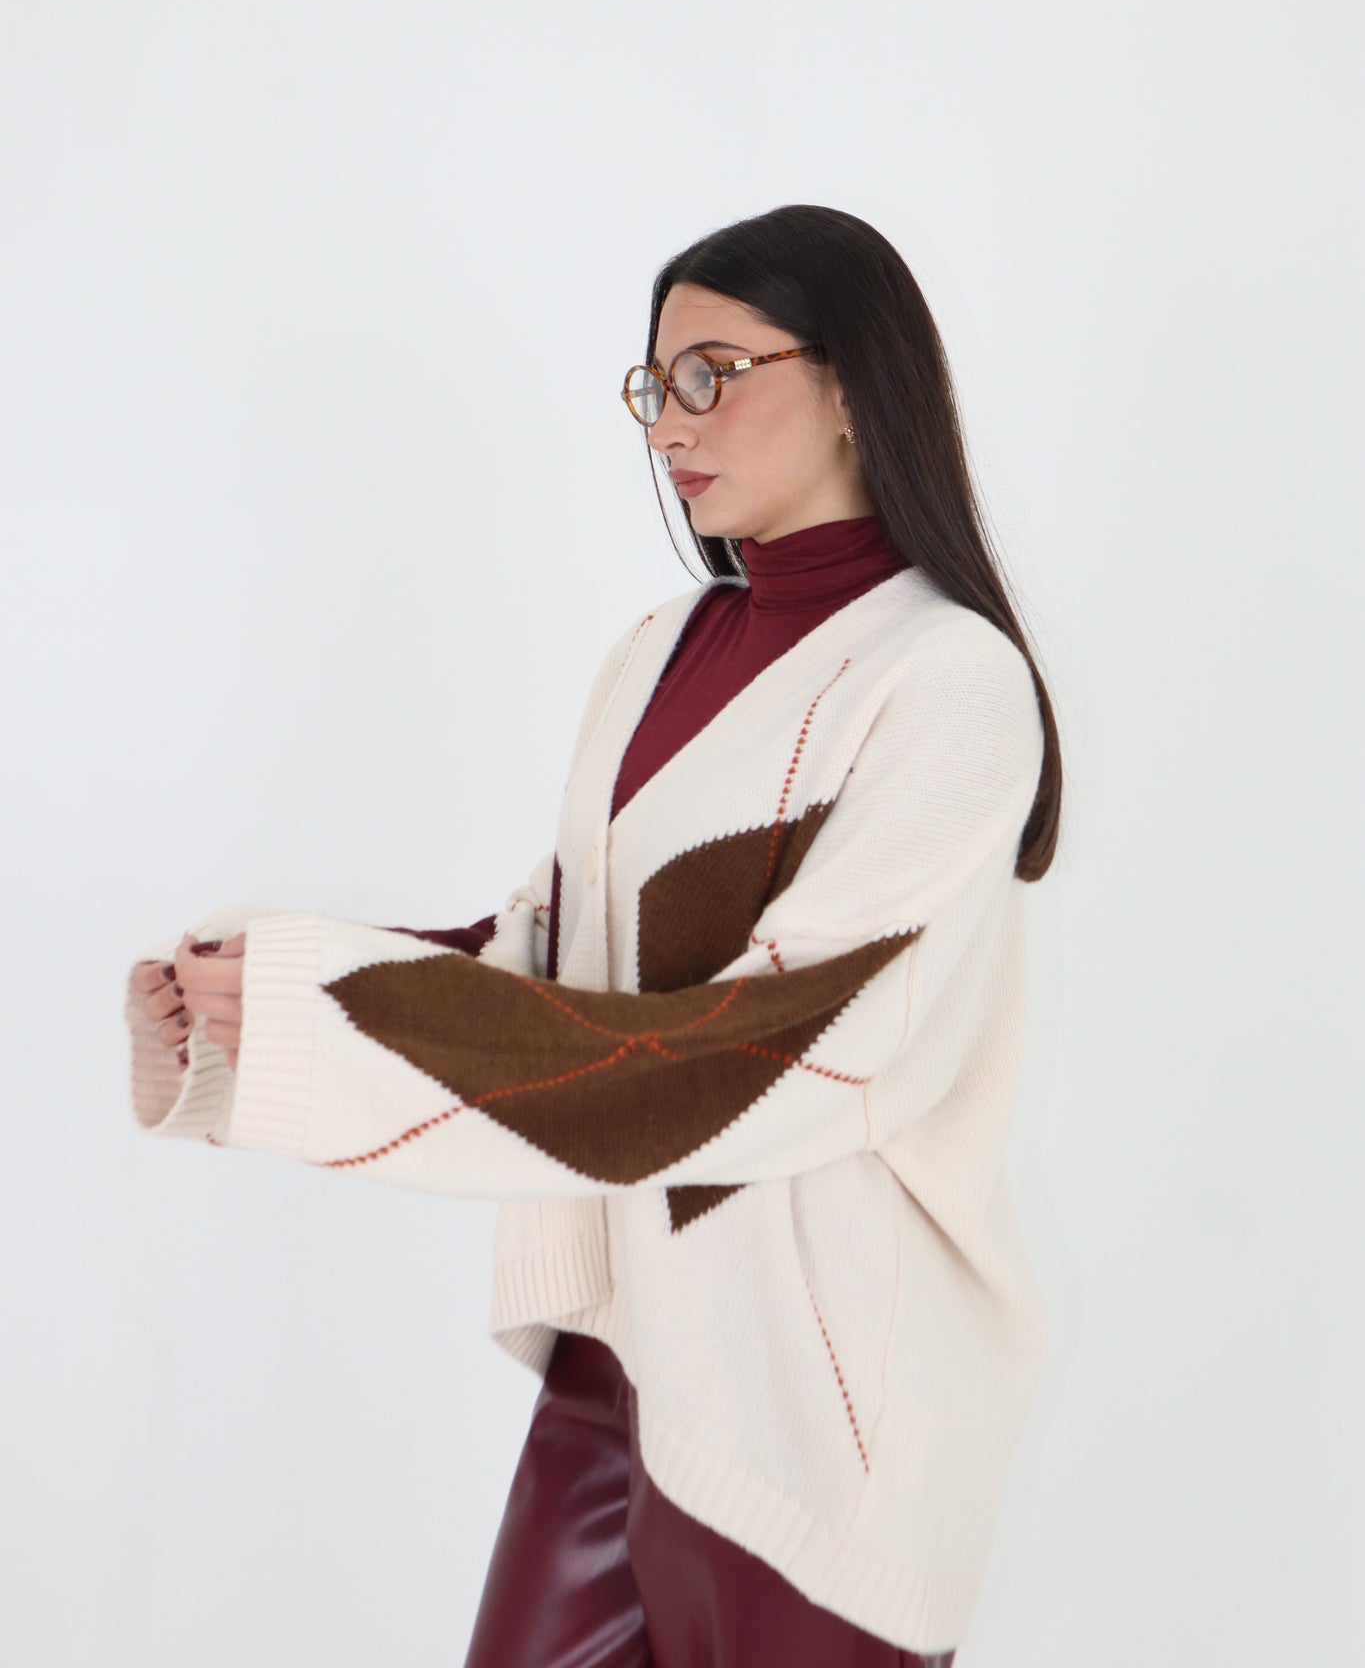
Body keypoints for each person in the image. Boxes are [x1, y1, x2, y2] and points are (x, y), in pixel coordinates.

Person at [126, 203, 1063, 1666]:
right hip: (619, 1354)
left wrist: (331, 1015)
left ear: (851, 385)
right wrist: (261, 997)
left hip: (810, 1405)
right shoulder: (654, 651)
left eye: (711, 375)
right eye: (654, 384)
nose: (668, 425)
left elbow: (780, 1051)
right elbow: (557, 959)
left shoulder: (947, 683)